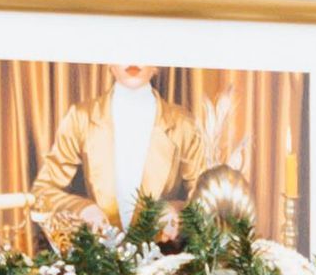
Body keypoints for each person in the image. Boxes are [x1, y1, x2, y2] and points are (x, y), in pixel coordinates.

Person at [28, 65, 206, 248]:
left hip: (164, 262)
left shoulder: (183, 125)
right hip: (97, 263)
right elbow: (43, 192)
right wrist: (82, 208)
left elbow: (204, 199)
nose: (132, 58)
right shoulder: (81, 118)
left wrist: (175, 210)